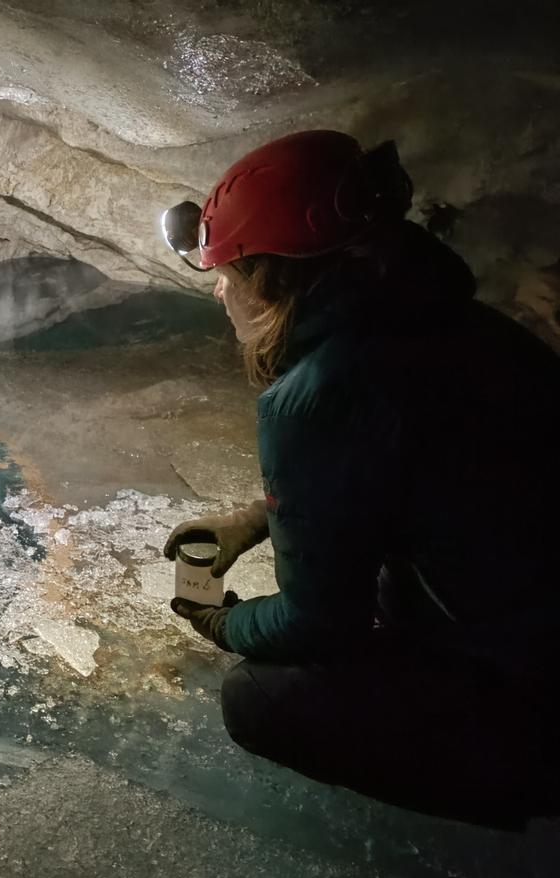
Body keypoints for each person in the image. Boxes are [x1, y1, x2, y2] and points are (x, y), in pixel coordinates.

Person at [158, 129, 560, 829]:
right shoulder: (448, 320)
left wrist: (224, 624)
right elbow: (401, 466)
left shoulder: (315, 398)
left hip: (535, 685)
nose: (219, 285)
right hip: (536, 604)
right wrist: (254, 519)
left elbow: (320, 622)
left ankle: (522, 783)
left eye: (232, 267)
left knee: (256, 697)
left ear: (277, 275)